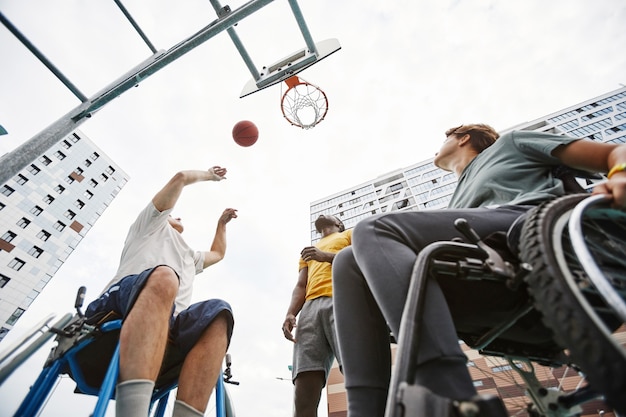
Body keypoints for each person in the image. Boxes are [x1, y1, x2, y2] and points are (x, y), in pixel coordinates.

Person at [331, 124, 626, 417]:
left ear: (463, 138)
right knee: (347, 262)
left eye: (443, 138)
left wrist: (620, 173)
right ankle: (365, 410)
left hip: (528, 231)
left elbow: (614, 151)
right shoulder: (457, 199)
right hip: (482, 270)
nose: (437, 148)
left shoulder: (512, 143)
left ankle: (447, 393)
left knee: (375, 228)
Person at [84, 166, 238, 417]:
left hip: (169, 326)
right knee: (166, 276)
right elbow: (181, 178)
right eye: (175, 215)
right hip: (122, 303)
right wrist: (211, 175)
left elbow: (218, 254)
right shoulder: (149, 225)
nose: (179, 218)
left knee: (219, 312)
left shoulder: (190, 256)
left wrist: (221, 223)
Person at [282, 214, 353, 417]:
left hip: (342, 299)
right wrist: (290, 313)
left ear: (339, 223)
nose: (323, 216)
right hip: (310, 310)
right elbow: (301, 285)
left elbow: (363, 256)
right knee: (304, 388)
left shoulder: (349, 234)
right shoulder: (307, 253)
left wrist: (325, 257)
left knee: (357, 373)